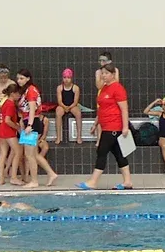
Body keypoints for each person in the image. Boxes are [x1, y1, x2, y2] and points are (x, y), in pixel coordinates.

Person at [78, 62, 132, 190]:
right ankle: (128, 181)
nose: (104, 76)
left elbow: (124, 109)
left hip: (114, 126)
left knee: (101, 151)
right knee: (119, 154)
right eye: (102, 73)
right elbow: (102, 108)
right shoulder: (104, 88)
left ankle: (93, 181)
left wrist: (125, 127)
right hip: (106, 125)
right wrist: (95, 124)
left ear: (113, 74)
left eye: (106, 73)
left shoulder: (118, 88)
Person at [16, 70, 59, 188]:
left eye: (21, 78)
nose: (19, 81)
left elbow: (32, 109)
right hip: (30, 122)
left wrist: (29, 125)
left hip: (33, 123)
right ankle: (51, 173)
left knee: (29, 154)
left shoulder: (30, 90)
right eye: (18, 78)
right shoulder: (27, 90)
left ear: (28, 78)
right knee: (34, 154)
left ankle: (34, 181)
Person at [0, 82, 23, 185]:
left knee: (3, 154)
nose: (19, 96)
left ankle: (1, 178)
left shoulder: (5, 102)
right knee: (18, 152)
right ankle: (14, 177)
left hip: (1, 130)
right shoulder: (11, 104)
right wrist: (18, 128)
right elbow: (8, 120)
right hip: (8, 131)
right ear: (12, 94)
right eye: (18, 94)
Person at [55, 69, 82, 145]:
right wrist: (64, 107)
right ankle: (58, 137)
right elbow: (59, 101)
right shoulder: (59, 88)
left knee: (78, 114)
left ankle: (79, 136)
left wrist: (69, 107)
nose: (66, 80)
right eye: (64, 77)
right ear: (62, 78)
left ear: (71, 78)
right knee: (58, 113)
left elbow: (75, 101)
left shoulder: (75, 88)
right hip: (62, 105)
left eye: (68, 77)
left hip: (72, 105)